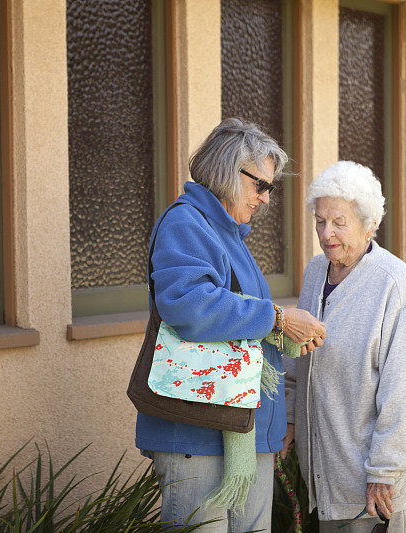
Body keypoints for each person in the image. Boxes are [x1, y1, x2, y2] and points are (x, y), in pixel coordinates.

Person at [136, 118, 326, 532]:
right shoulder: (186, 223)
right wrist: (277, 318)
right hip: (199, 431)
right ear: (226, 170)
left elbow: (240, 322)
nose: (266, 199)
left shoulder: (229, 235)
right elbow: (188, 305)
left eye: (270, 188)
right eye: (261, 185)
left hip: (238, 428)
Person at [282, 161, 406, 532]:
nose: (326, 233)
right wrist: (290, 418)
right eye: (320, 221)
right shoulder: (315, 272)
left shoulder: (394, 284)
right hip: (331, 471)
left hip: (378, 482)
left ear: (370, 226)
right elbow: (297, 360)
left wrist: (385, 470)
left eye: (339, 222)